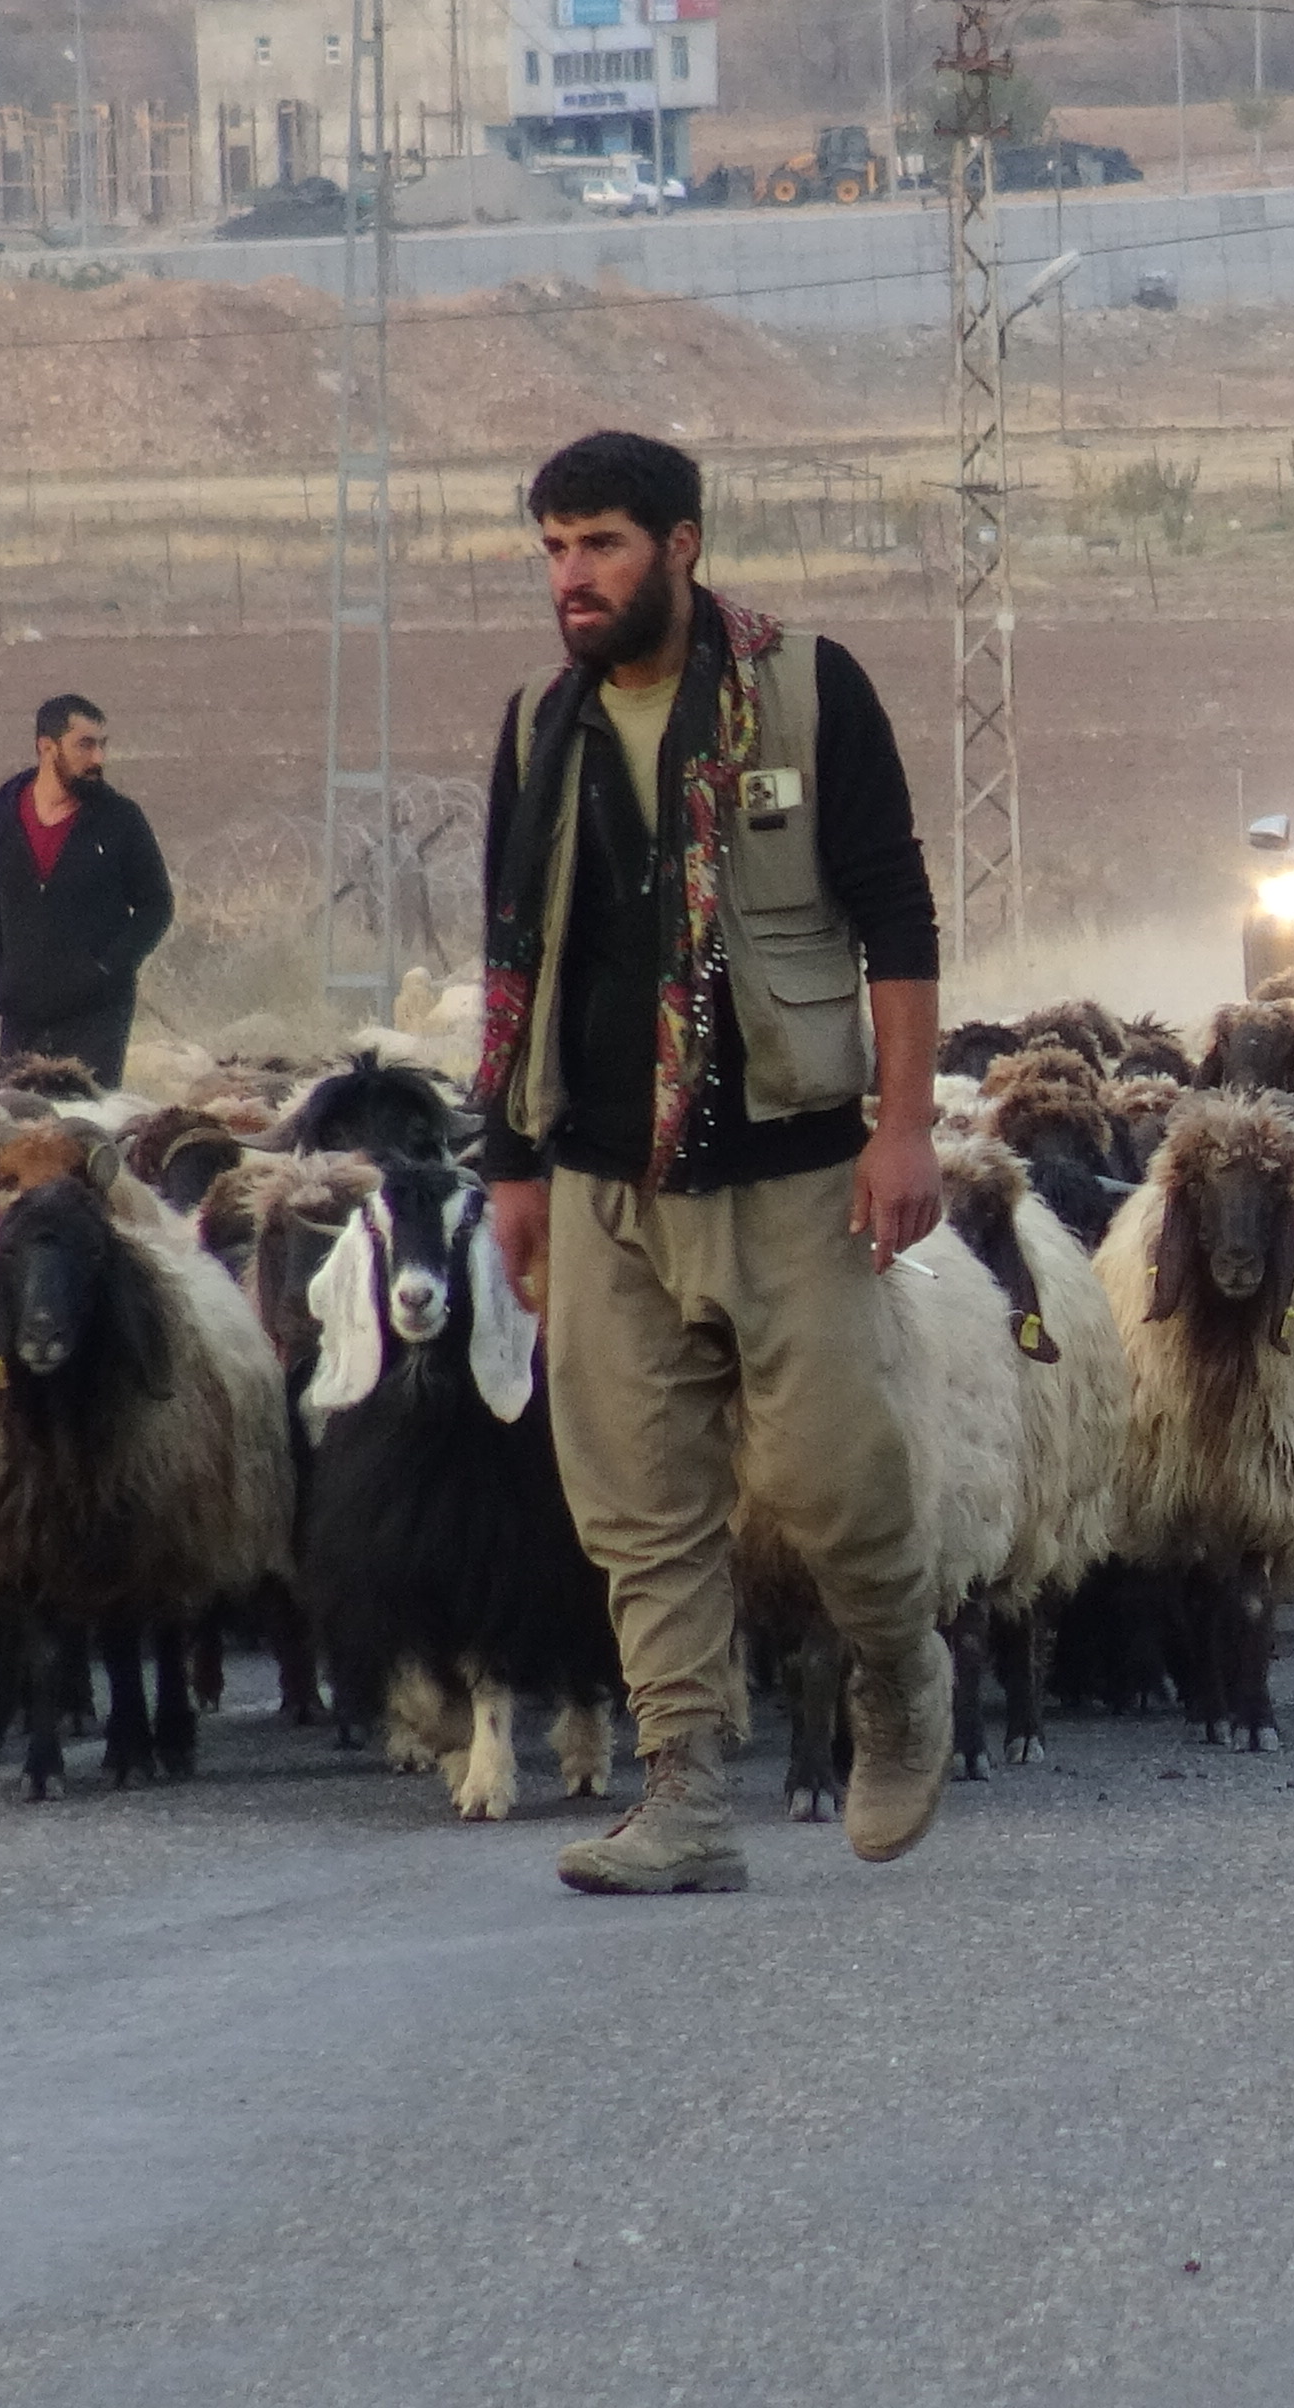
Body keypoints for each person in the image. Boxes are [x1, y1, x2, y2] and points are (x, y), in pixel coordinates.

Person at [471, 431, 947, 1898]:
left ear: (681, 544)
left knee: (830, 1475)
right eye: (553, 548)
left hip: (791, 1164)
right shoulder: (539, 726)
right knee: (636, 1503)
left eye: (602, 543)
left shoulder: (807, 689)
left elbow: (896, 916)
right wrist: (512, 1164)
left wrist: (905, 1124)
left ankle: (895, 1668)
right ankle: (684, 1795)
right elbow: (512, 952)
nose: (573, 576)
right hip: (607, 1173)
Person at [0, 694, 174, 1088]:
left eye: (102, 745)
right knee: (17, 1130)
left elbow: (156, 906)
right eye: (85, 744)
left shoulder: (120, 820)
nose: (98, 759)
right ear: (47, 748)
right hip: (22, 1013)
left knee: (84, 1130)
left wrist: (107, 968)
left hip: (96, 1015)